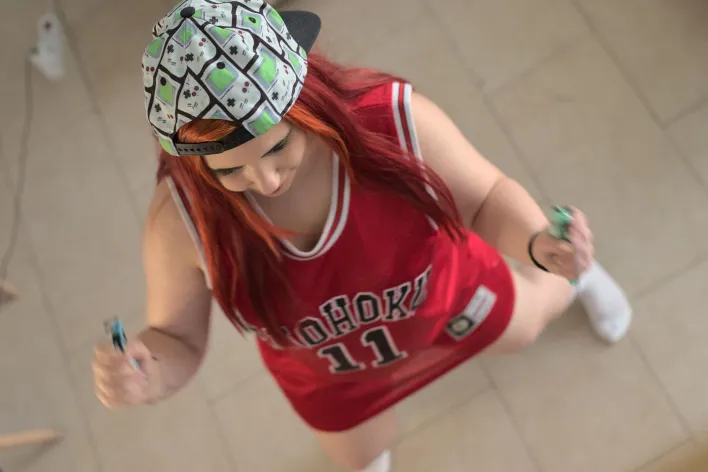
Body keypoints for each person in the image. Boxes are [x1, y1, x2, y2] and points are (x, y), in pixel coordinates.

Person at [91, 1, 632, 471]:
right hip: (331, 375)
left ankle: (577, 278)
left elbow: (485, 198)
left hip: (445, 296)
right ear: (193, 162)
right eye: (229, 171)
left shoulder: (394, 124)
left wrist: (539, 244)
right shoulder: (183, 220)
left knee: (526, 325)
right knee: (359, 455)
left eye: (278, 147)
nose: (267, 181)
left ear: (307, 101)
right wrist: (149, 373)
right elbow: (179, 337)